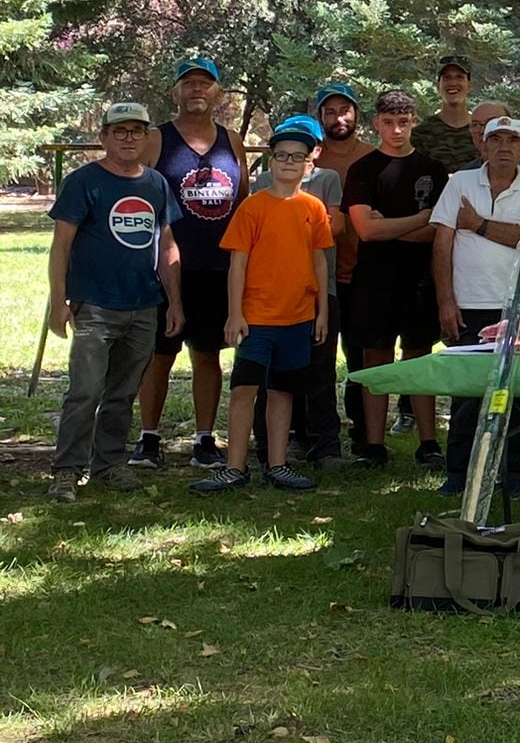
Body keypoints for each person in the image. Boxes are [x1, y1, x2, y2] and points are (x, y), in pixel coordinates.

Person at [46, 103, 185, 501]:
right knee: (85, 391)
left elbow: (168, 245)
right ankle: (66, 471)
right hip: (95, 305)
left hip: (143, 304)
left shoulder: (156, 184)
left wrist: (173, 302)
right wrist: (60, 301)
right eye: (119, 131)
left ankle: (108, 465)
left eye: (136, 131)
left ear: (146, 138)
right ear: (104, 137)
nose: (128, 139)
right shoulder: (83, 182)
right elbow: (61, 246)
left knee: (122, 393)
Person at [191, 116, 333, 494]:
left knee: (283, 391)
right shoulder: (253, 207)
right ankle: (235, 467)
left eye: (297, 157)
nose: (289, 163)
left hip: (298, 317)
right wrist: (235, 313)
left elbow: (320, 260)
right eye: (282, 156)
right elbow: (237, 263)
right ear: (271, 161)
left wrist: (322, 312)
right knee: (244, 390)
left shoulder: (314, 208)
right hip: (257, 318)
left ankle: (278, 463)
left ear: (310, 164)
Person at [134, 55, 246, 470]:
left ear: (217, 92)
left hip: (217, 268)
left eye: (205, 83)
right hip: (165, 267)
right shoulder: (157, 139)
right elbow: (138, 195)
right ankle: (148, 437)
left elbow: (243, 203)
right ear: (175, 91)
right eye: (189, 83)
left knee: (207, 354)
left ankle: (204, 438)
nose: (197, 89)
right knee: (159, 354)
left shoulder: (231, 141)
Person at [431, 115, 520, 494]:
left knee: (514, 393)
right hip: (467, 302)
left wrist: (478, 223)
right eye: (495, 139)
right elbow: (442, 242)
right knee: (468, 392)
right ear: (482, 147)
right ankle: (458, 474)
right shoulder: (460, 183)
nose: (504, 146)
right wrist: (446, 301)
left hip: (518, 305)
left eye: (512, 140)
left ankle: (515, 474)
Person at [344, 89, 450, 468]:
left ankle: (429, 442)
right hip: (374, 279)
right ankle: (374, 443)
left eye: (403, 122)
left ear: (413, 122)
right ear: (376, 124)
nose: (396, 130)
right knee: (377, 359)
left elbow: (439, 229)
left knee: (420, 357)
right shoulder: (363, 169)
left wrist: (388, 225)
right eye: (388, 122)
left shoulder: (433, 170)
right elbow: (365, 231)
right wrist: (418, 220)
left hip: (421, 279)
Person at [249, 94, 346, 471]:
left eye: (301, 150)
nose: (291, 159)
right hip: (270, 295)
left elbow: (333, 229)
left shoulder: (327, 181)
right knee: (270, 375)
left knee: (320, 369)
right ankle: (271, 445)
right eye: (283, 150)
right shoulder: (261, 182)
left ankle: (325, 445)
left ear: (314, 152)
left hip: (321, 289)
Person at [310, 82, 368, 467]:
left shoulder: (373, 156)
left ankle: (365, 432)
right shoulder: (309, 157)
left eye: (344, 110)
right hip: (321, 277)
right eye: (329, 112)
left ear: (356, 115)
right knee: (317, 359)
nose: (338, 118)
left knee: (362, 357)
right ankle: (314, 435)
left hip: (364, 272)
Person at [412, 54, 477, 175]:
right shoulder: (421, 134)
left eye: (459, 77)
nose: (453, 83)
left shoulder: (481, 132)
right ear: (438, 86)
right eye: (447, 78)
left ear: (469, 85)